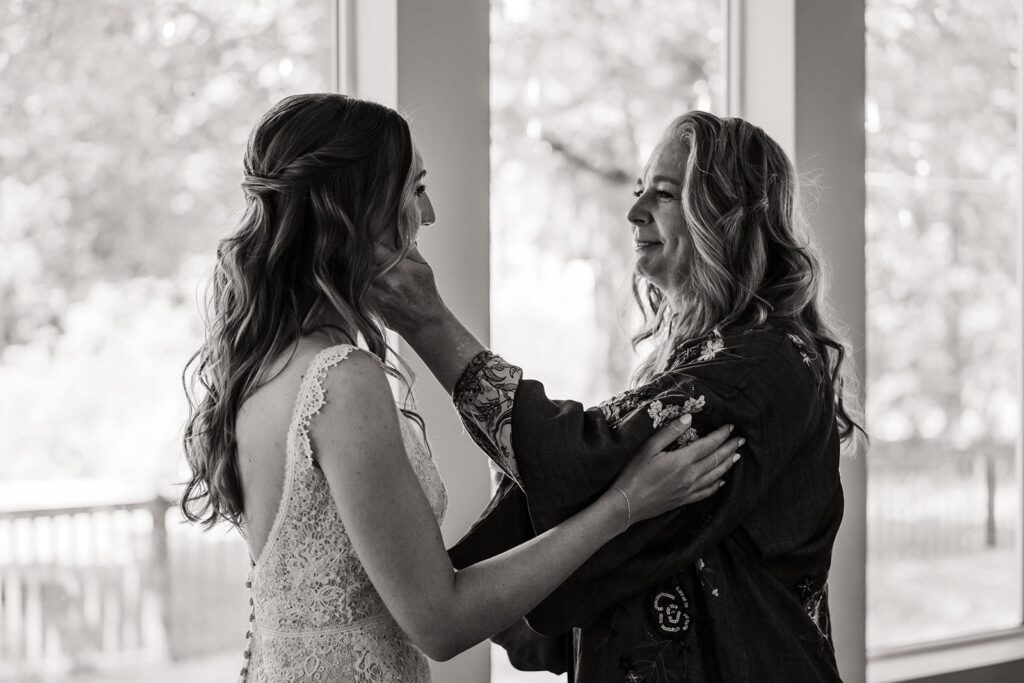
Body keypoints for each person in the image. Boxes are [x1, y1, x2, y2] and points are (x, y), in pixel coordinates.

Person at [179, 94, 742, 683]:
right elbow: (440, 622)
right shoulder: (342, 380)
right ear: (359, 207)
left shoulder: (263, 362)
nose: (429, 214)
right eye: (415, 189)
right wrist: (625, 505)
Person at [372, 111, 864, 682]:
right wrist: (488, 603)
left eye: (664, 194)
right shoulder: (695, 357)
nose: (633, 214)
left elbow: (583, 463)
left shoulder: (768, 364)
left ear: (730, 216)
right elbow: (644, 519)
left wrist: (431, 325)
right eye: (638, 191)